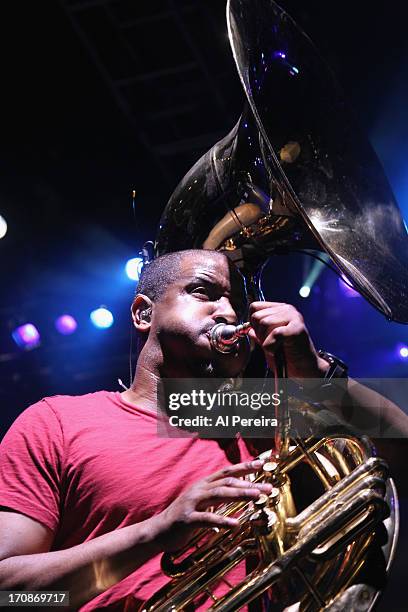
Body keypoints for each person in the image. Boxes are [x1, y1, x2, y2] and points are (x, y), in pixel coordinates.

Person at [0, 249, 407, 611]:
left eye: (235, 302)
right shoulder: (56, 422)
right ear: (144, 313)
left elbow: (400, 446)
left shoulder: (249, 414)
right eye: (203, 292)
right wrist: (155, 532)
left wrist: (315, 375)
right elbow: (13, 596)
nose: (230, 313)